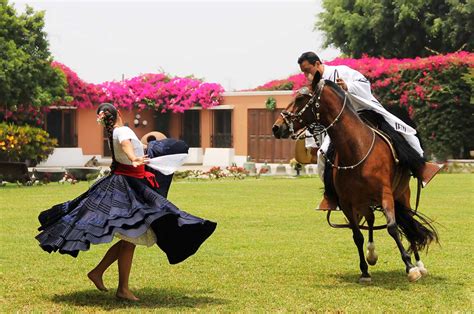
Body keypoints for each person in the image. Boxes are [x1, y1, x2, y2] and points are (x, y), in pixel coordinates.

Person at [36, 103, 217, 301]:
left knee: (129, 237)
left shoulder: (113, 132)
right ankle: (121, 288)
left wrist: (139, 154)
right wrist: (134, 157)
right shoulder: (122, 131)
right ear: (119, 114)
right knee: (131, 236)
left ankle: (99, 273)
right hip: (126, 188)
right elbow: (126, 145)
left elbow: (129, 146)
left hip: (127, 184)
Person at [297, 52, 443, 210]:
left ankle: (421, 169)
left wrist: (348, 86)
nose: (307, 75)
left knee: (398, 135)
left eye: (308, 70)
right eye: (304, 72)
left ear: (318, 64)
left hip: (365, 114)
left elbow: (365, 84)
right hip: (341, 125)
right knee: (322, 154)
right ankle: (332, 195)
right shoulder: (316, 87)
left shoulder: (343, 71)